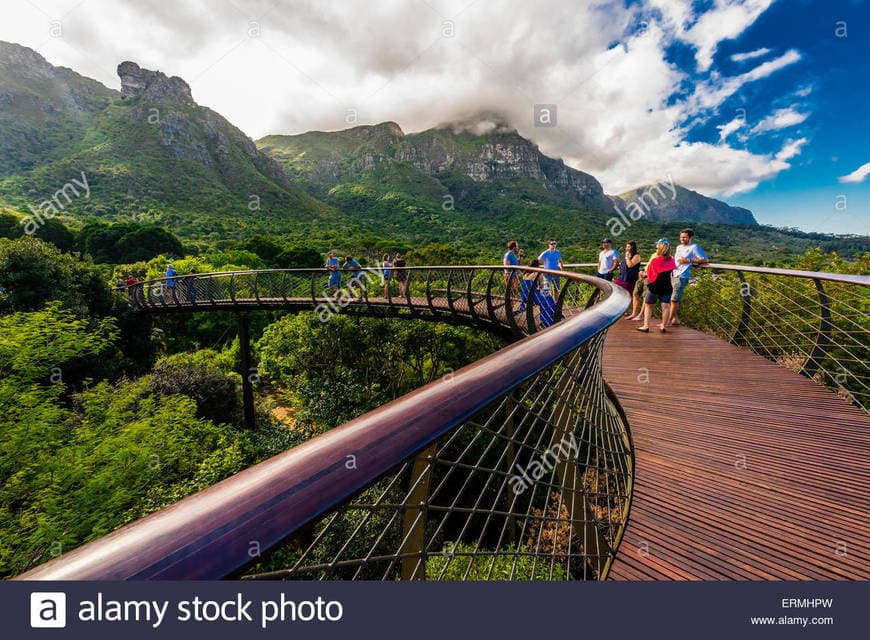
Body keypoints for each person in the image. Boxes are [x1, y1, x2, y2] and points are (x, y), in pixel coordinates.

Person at [669, 228, 708, 327]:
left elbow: (704, 259)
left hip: (682, 276)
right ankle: (675, 319)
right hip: (674, 274)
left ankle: (667, 322)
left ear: (690, 238)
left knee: (674, 300)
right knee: (671, 299)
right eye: (681, 237)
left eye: (685, 237)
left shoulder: (694, 247)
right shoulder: (678, 247)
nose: (682, 239)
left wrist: (689, 260)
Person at [637, 238, 676, 333]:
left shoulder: (655, 261)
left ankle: (646, 326)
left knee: (648, 306)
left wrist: (643, 275)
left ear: (661, 249)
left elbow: (650, 275)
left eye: (657, 248)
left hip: (654, 286)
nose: (656, 249)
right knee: (666, 306)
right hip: (667, 286)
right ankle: (663, 326)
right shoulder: (671, 260)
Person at [615, 240, 641, 312]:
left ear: (633, 247)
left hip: (629, 279)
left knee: (628, 296)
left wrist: (627, 257)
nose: (627, 248)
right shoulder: (627, 256)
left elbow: (630, 265)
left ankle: (626, 311)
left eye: (628, 247)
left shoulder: (636, 256)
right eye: (626, 247)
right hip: (621, 278)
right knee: (617, 293)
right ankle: (618, 309)